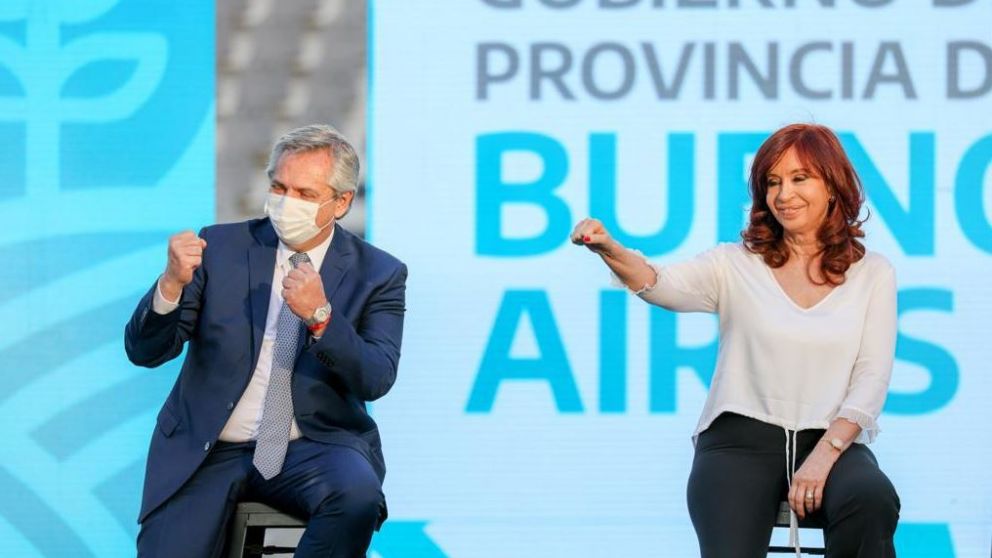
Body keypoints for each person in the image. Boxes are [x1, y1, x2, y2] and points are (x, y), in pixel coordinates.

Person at [572, 123, 900, 557]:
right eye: (772, 182)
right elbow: (661, 284)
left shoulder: (872, 273)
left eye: (800, 178)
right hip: (739, 441)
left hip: (831, 440)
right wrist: (609, 248)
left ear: (833, 187)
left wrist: (825, 455)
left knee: (871, 497)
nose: (784, 194)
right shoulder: (734, 264)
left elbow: (872, 377)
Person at [125, 124, 407, 558]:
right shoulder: (220, 247)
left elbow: (375, 378)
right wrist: (170, 285)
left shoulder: (380, 274)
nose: (286, 202)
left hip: (313, 447)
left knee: (356, 495)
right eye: (279, 187)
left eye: (305, 194)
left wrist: (320, 316)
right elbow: (145, 352)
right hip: (209, 448)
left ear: (341, 202)